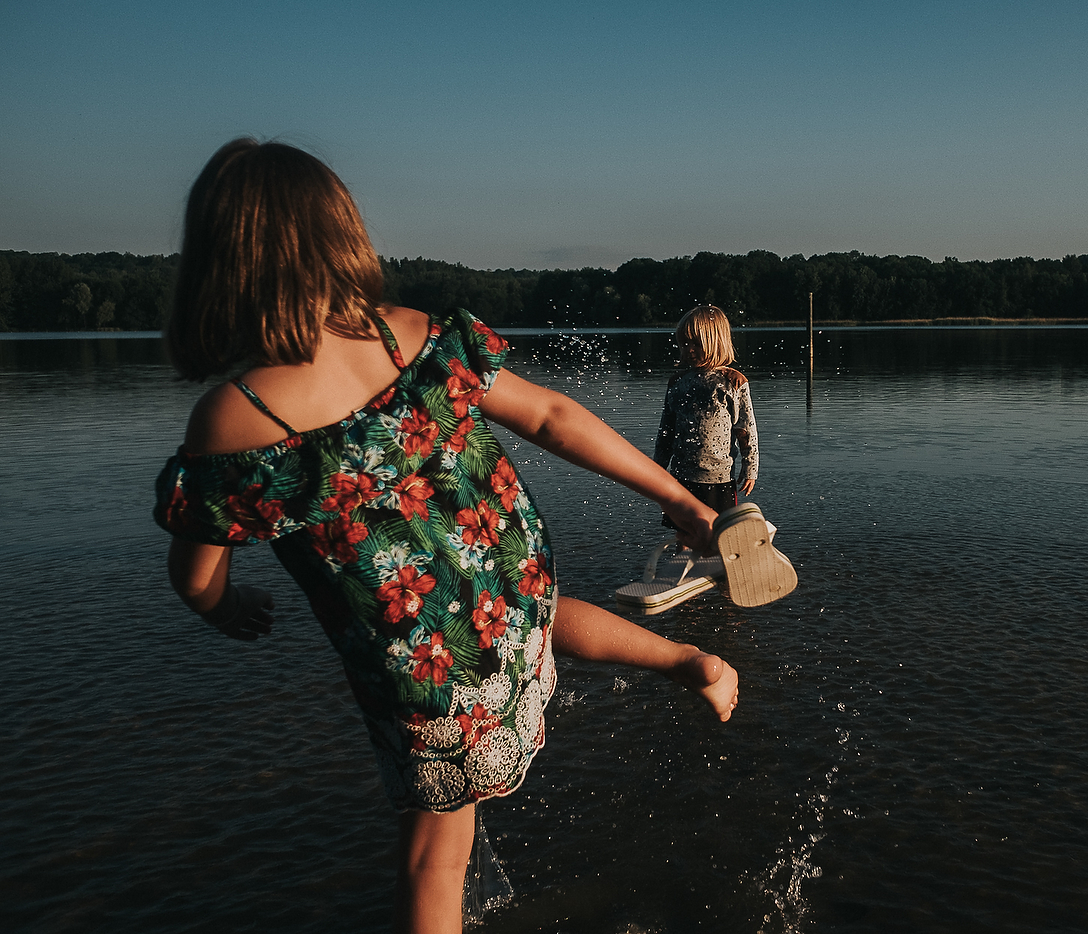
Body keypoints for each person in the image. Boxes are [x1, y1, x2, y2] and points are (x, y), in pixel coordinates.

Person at [153, 138, 739, 934]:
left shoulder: (233, 418)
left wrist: (221, 605)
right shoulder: (413, 338)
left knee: (434, 856)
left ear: (217, 266)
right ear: (342, 238)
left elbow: (195, 571)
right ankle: (689, 659)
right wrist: (685, 502)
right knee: (537, 618)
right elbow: (554, 418)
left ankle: (685, 663)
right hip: (512, 576)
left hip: (423, 664)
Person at [652, 305, 759, 532]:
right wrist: (657, 468)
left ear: (714, 342)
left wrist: (750, 468)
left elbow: (745, 429)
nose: (689, 350)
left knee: (720, 535)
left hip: (719, 478)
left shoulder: (732, 381)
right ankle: (684, 568)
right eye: (684, 344)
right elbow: (666, 430)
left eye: (696, 344)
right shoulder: (677, 382)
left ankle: (719, 568)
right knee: (684, 534)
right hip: (680, 476)